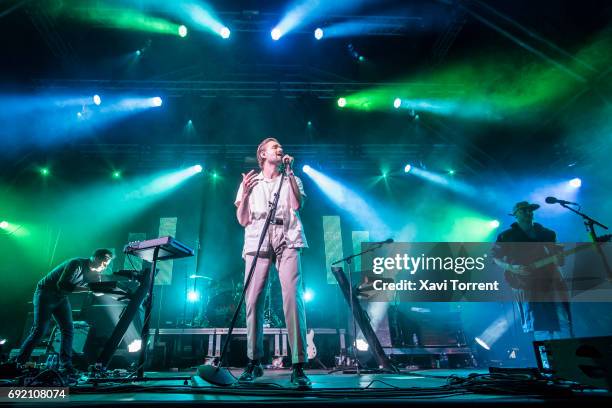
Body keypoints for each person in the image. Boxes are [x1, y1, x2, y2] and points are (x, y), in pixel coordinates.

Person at [234, 137, 311, 387]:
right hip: (257, 237)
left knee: (292, 297)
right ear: (263, 154)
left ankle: (298, 365)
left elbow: (298, 204)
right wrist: (244, 194)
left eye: (280, 147)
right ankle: (254, 361)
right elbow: (242, 219)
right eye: (274, 146)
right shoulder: (251, 182)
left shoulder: (292, 178)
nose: (280, 149)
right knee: (253, 299)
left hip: (288, 237)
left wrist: (289, 173)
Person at [15, 249, 114, 373]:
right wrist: (89, 289)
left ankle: (66, 365)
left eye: (107, 263)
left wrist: (110, 291)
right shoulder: (76, 264)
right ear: (95, 257)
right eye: (104, 262)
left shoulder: (96, 274)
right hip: (45, 293)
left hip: (61, 297)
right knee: (39, 330)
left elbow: (97, 292)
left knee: (68, 329)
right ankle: (20, 362)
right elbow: (62, 285)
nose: (105, 266)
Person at [493, 201, 573, 340]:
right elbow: (494, 258)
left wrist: (560, 256)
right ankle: (547, 358)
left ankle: (568, 356)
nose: (529, 212)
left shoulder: (547, 233)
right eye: (524, 210)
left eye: (530, 210)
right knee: (539, 324)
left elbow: (560, 262)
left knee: (562, 320)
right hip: (526, 284)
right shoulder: (506, 236)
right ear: (515, 214)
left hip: (551, 281)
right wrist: (512, 268)